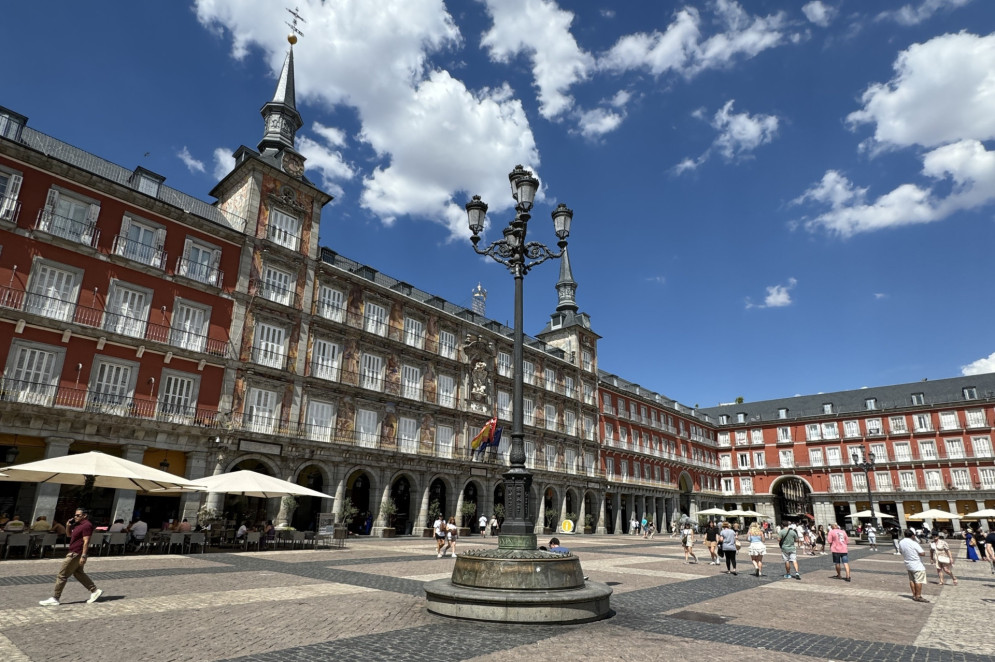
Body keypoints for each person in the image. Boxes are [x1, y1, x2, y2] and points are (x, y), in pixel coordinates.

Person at [39, 508, 103, 607]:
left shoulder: (87, 525)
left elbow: (86, 541)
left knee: (62, 575)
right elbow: (69, 535)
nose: (75, 517)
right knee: (78, 573)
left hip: (75, 553)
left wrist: (84, 555)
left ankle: (55, 598)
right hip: (74, 552)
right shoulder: (78, 525)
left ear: (84, 516)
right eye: (75, 515)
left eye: (78, 515)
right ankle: (95, 590)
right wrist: (67, 526)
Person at [898, 528, 929, 603]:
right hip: (917, 564)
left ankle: (914, 594)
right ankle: (918, 596)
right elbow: (922, 553)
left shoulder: (901, 542)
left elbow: (901, 551)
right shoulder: (914, 543)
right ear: (912, 535)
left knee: (911, 580)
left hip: (908, 563)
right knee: (918, 580)